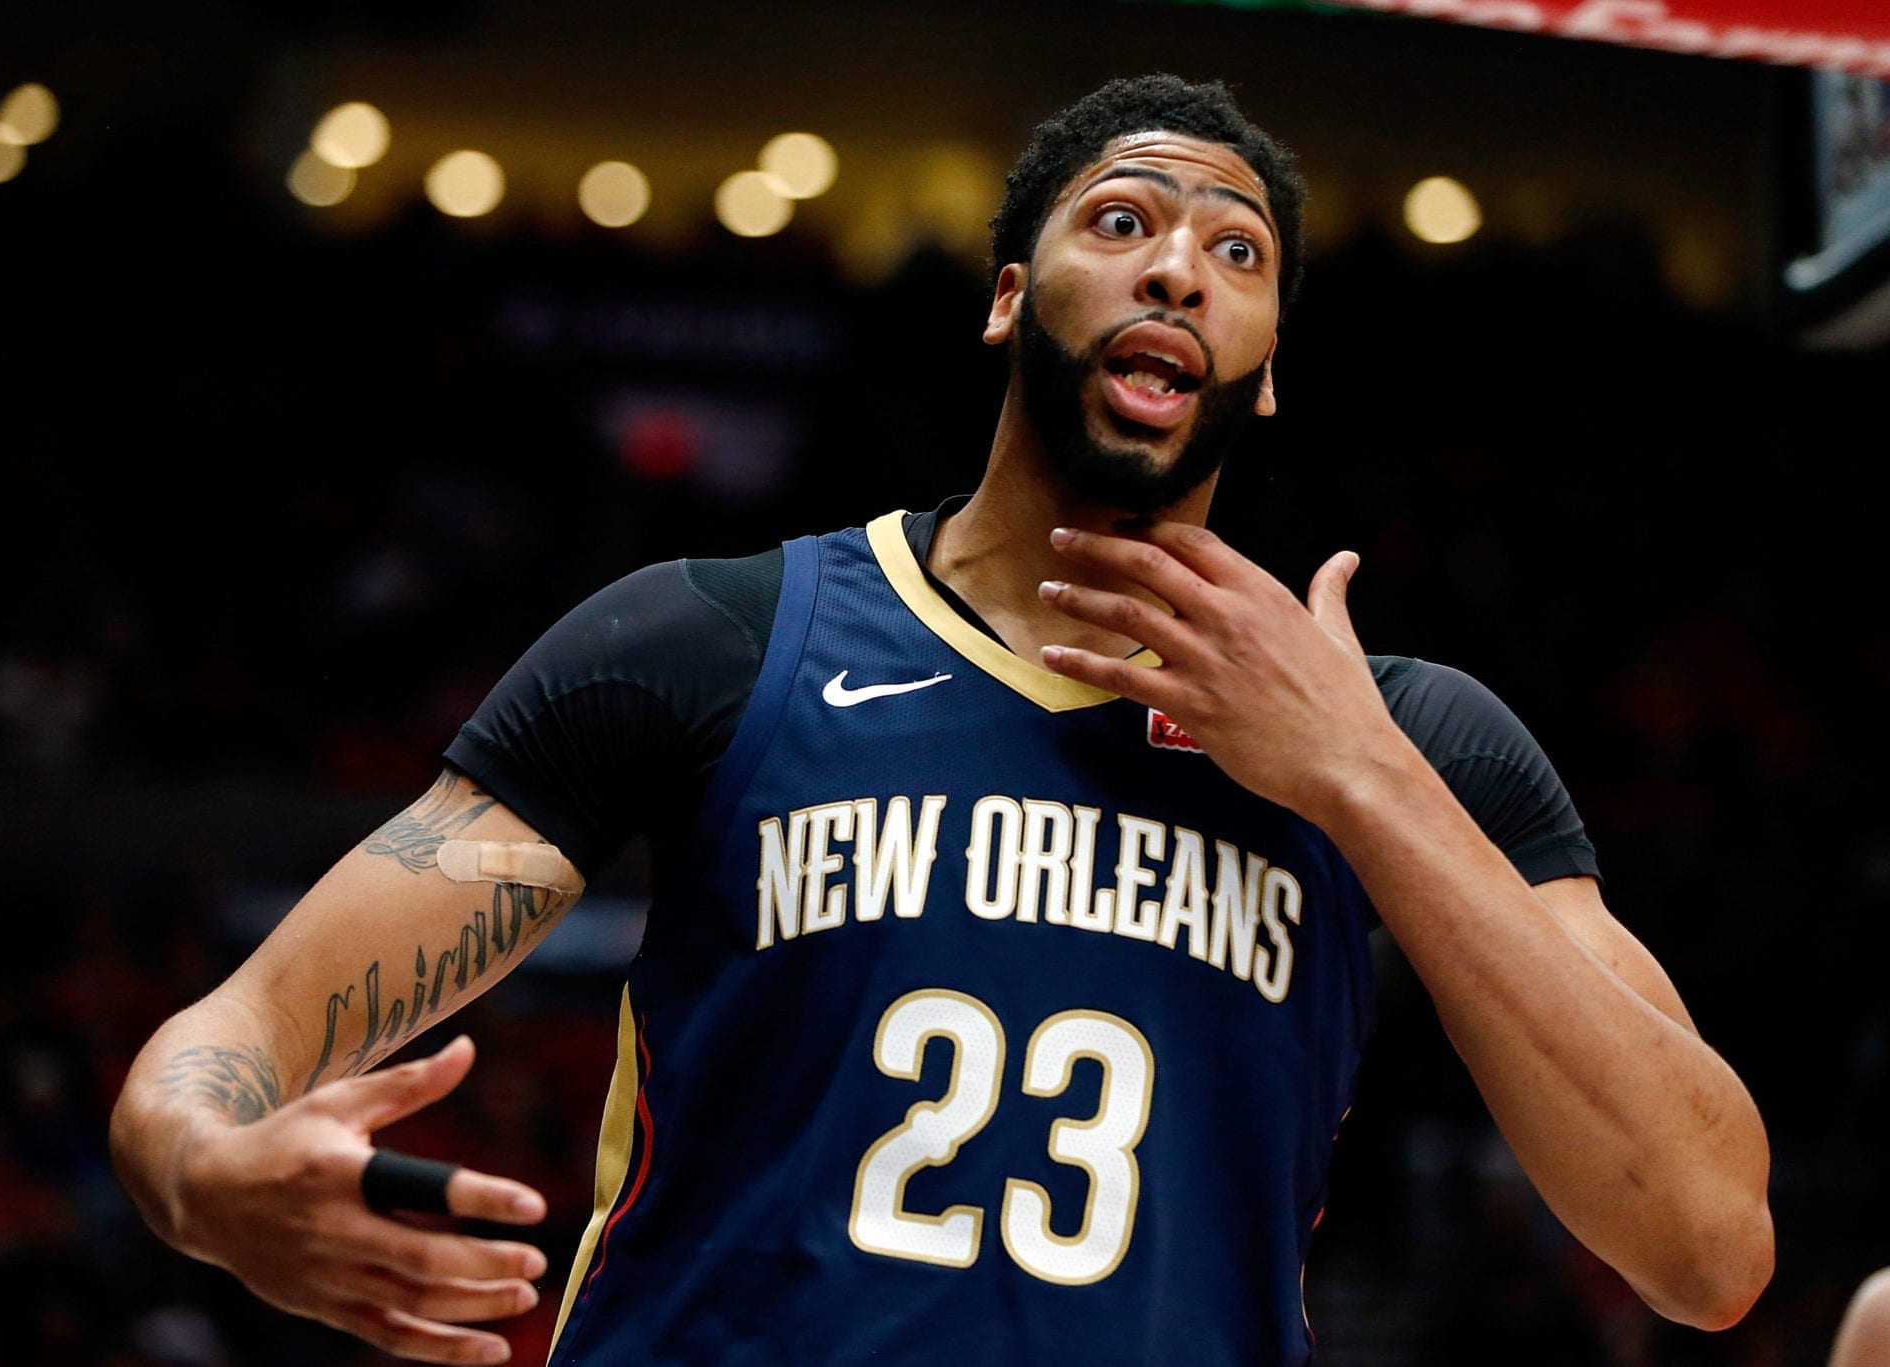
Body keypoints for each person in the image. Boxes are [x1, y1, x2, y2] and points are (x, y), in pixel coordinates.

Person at [110, 74, 1774, 1365]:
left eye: (1237, 251)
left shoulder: (1420, 741)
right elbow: (227, 1044)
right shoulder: (711, 643)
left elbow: (1707, 1245)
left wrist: (1355, 776)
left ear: (1268, 368)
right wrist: (198, 1177)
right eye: (1122, 223)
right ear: (1006, 297)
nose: (1180, 268)